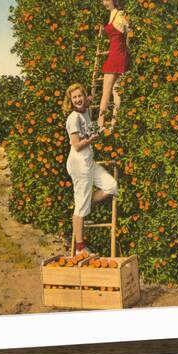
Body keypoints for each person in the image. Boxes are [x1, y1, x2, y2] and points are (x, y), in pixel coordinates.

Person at [62, 82, 118, 256]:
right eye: (74, 98)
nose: (78, 99)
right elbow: (77, 144)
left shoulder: (85, 110)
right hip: (79, 165)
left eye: (80, 96)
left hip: (89, 163)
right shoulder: (73, 118)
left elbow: (95, 107)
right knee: (80, 208)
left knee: (111, 186)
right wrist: (93, 138)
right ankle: (80, 248)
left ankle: (86, 206)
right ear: (70, 101)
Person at [97, 0, 132, 130]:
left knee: (107, 92)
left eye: (106, 0)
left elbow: (127, 31)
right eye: (103, 0)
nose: (104, 3)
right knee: (116, 91)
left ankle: (100, 124)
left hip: (117, 54)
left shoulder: (120, 13)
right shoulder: (113, 13)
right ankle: (113, 124)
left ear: (113, 0)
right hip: (118, 54)